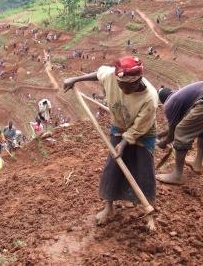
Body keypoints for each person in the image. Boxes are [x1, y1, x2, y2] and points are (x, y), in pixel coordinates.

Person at [64, 56, 158, 228]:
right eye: (120, 85)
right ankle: (109, 206)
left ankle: (148, 214)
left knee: (144, 168)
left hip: (143, 131)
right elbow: (99, 73)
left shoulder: (150, 98)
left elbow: (138, 128)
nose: (122, 90)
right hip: (119, 125)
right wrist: (75, 79)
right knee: (113, 166)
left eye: (127, 87)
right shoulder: (113, 77)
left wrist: (123, 144)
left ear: (138, 81)